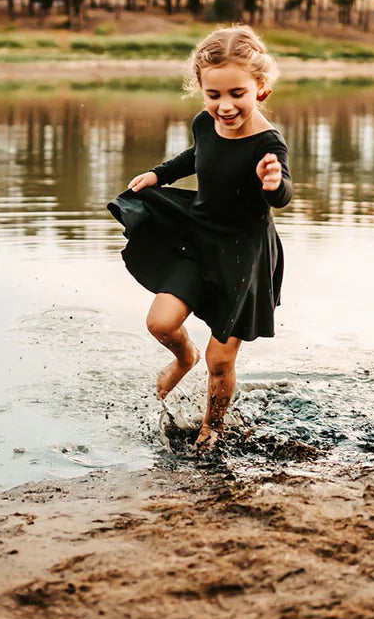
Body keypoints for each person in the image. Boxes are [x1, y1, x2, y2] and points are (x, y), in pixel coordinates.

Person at [107, 25, 292, 452]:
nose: (224, 106)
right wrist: (160, 174)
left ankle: (213, 428)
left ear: (260, 88)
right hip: (199, 237)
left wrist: (273, 183)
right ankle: (183, 358)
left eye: (237, 94)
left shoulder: (268, 142)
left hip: (245, 255)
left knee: (221, 359)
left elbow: (283, 194)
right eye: (214, 96)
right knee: (161, 322)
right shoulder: (204, 122)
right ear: (202, 90)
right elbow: (196, 155)